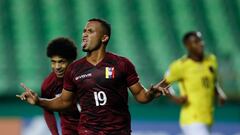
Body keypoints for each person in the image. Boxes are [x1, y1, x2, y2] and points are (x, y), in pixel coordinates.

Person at [16, 18, 169, 135]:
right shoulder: (74, 69)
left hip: (119, 131)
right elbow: (63, 101)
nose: (84, 34)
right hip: (88, 132)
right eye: (84, 31)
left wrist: (151, 93)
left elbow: (140, 95)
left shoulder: (121, 64)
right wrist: (39, 101)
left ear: (104, 38)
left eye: (90, 31)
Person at [160, 31, 227, 135]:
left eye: (200, 40)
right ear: (187, 45)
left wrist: (219, 92)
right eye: (196, 41)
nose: (201, 43)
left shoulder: (211, 59)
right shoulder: (180, 65)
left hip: (208, 116)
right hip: (191, 118)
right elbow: (163, 84)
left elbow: (213, 81)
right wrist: (175, 98)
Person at [27, 37, 80, 135]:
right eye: (53, 62)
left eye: (61, 62)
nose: (57, 67)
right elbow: (48, 111)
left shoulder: (84, 77)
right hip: (69, 129)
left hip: (92, 126)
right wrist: (55, 133)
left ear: (72, 60)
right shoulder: (48, 85)